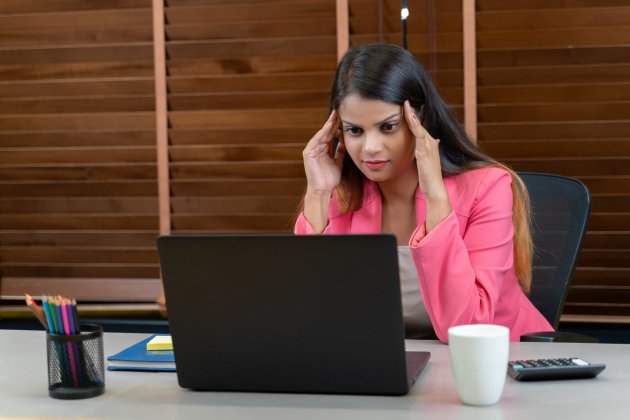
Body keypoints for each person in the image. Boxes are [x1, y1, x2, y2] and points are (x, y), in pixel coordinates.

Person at [294, 43, 553, 343]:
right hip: (391, 366)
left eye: (388, 127)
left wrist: (436, 200)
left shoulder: (488, 188)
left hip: (495, 367)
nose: (370, 148)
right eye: (355, 130)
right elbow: (314, 319)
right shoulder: (338, 197)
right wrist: (317, 195)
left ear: (420, 119)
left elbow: (468, 328)